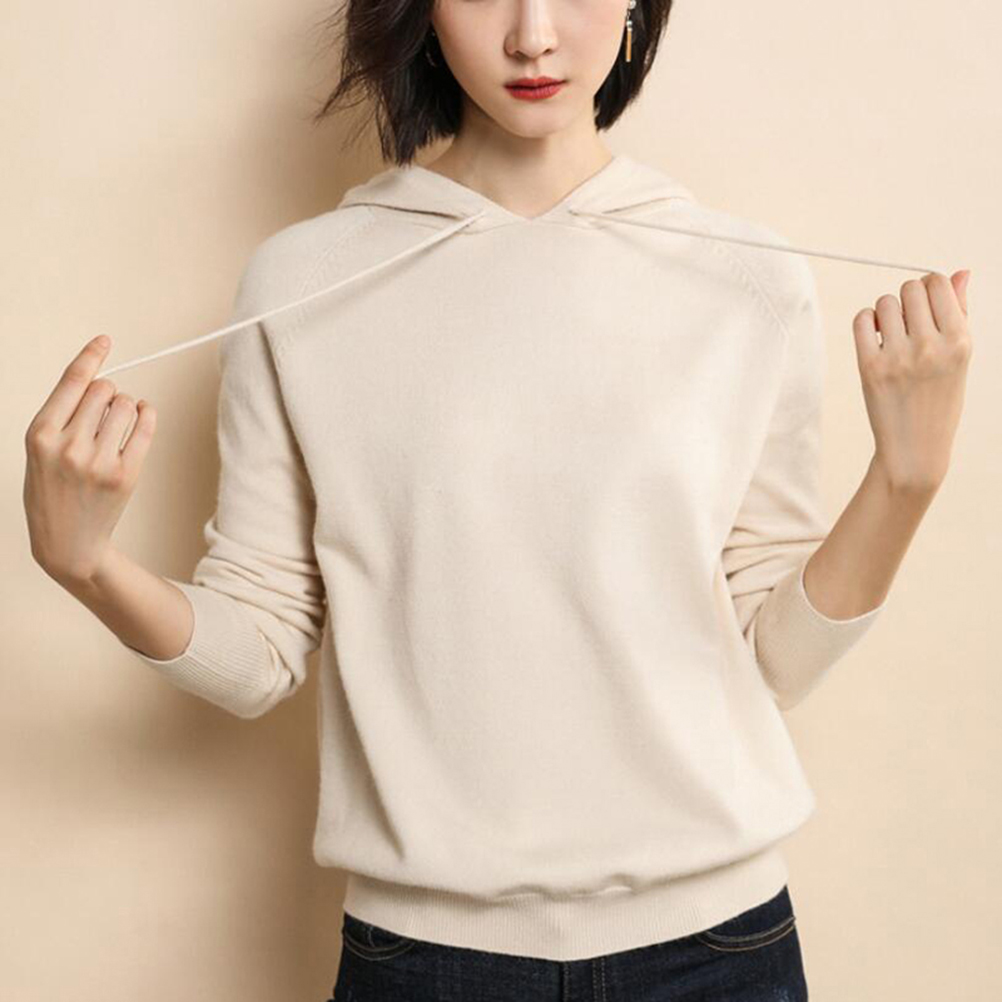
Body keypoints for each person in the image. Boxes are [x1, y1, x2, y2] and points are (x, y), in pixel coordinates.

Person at [23, 0, 972, 998]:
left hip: (719, 955)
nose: (533, 34)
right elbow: (259, 650)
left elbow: (777, 656)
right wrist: (89, 568)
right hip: (425, 962)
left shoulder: (746, 279)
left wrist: (904, 481)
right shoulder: (304, 280)